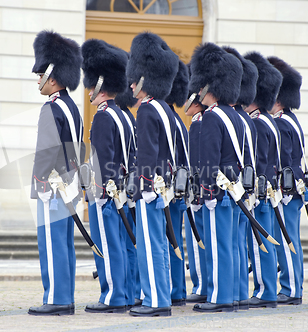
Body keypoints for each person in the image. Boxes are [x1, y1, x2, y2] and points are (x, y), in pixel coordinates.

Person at [28, 30, 84, 316]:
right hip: (69, 184)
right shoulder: (72, 107)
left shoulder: (51, 108)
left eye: (41, 75)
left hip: (52, 186)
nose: (38, 80)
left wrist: (38, 180)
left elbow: (46, 151)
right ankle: (65, 295)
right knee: (64, 244)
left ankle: (56, 298)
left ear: (52, 76)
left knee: (51, 243)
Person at [126, 32, 179, 317]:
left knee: (150, 245)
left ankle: (156, 300)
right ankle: (160, 297)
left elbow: (146, 154)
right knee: (158, 243)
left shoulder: (147, 110)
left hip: (150, 188)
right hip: (162, 186)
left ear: (145, 78)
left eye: (135, 78)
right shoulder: (165, 109)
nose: (131, 84)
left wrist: (142, 185)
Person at [188, 42, 244, 313]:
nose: (198, 91)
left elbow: (209, 159)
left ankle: (219, 298)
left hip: (218, 192)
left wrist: (205, 190)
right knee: (230, 244)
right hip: (233, 190)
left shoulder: (212, 117)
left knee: (218, 245)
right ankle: (230, 294)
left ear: (209, 86)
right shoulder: (234, 115)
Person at [81, 39, 134, 313]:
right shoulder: (123, 115)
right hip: (122, 190)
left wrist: (99, 192)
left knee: (107, 245)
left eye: (92, 85)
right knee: (120, 245)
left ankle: (113, 296)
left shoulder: (103, 116)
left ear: (100, 85)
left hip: (105, 192)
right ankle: (123, 293)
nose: (89, 90)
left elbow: (103, 159)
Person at [244, 51, 283, 308]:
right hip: (270, 190)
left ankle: (265, 291)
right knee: (266, 240)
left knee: (260, 244)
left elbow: (258, 163)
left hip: (260, 192)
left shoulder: (257, 123)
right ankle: (268, 289)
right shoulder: (269, 121)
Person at [223, 46, 258, 311]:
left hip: (236, 187)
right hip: (243, 187)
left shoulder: (233, 118)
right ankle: (238, 293)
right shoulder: (243, 119)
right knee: (236, 244)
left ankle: (233, 294)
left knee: (231, 244)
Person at [268, 56, 305, 306]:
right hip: (293, 187)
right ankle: (293, 286)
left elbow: (286, 161)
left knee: (286, 238)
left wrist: (283, 189)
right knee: (290, 237)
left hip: (287, 189)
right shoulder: (290, 120)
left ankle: (291, 289)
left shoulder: (281, 123)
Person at [164, 60, 190, 307]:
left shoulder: (165, 119)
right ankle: (178, 289)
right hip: (177, 190)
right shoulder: (177, 120)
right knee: (174, 241)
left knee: (168, 241)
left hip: (167, 191)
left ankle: (174, 289)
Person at [115, 86, 142, 307]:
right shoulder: (129, 117)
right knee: (129, 244)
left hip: (114, 189)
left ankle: (117, 295)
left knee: (118, 243)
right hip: (129, 185)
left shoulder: (110, 116)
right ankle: (131, 290)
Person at [184, 63, 208, 305]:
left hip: (199, 189)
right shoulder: (199, 120)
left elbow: (199, 160)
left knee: (197, 239)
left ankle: (201, 283)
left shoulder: (200, 122)